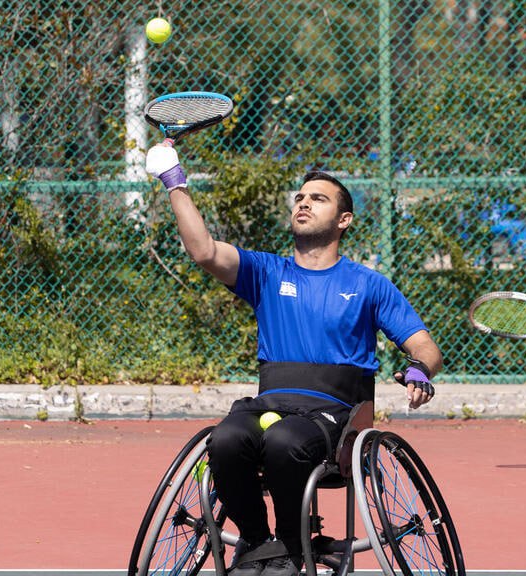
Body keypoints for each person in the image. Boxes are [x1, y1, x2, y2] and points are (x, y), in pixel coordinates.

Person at [146, 142, 442, 576]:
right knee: (225, 441)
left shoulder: (368, 284)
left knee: (286, 442)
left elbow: (426, 347)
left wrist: (419, 369)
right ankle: (256, 542)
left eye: (317, 199)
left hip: (334, 415)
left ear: (344, 220)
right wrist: (174, 181)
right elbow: (204, 251)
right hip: (269, 405)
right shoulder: (267, 272)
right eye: (300, 197)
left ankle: (289, 544)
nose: (303, 203)